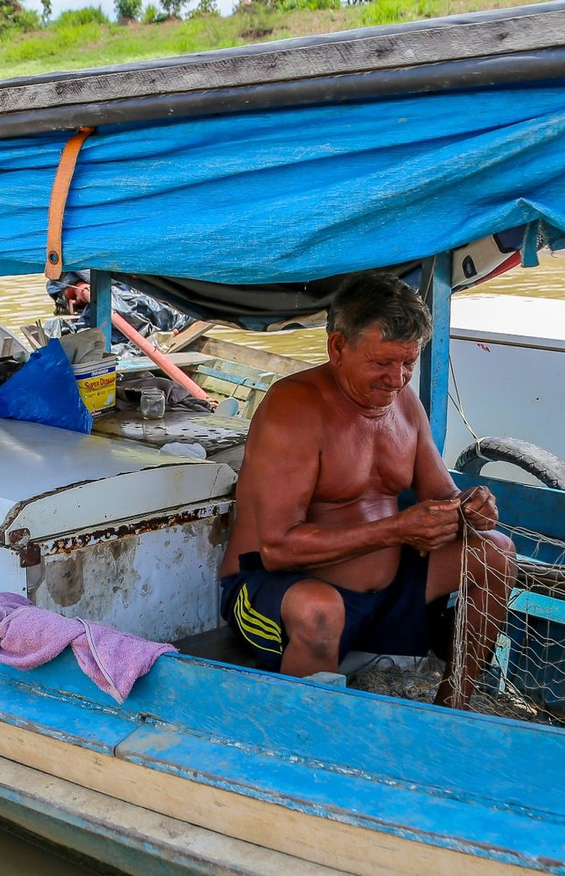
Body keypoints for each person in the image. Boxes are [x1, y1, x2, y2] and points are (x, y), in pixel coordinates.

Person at [219, 271, 516, 708]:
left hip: (388, 592)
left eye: (408, 364)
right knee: (321, 612)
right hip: (275, 589)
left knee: (496, 551)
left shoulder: (404, 403)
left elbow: (442, 495)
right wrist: (398, 530)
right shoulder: (293, 408)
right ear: (338, 347)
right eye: (381, 364)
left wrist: (471, 509)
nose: (396, 380)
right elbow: (278, 549)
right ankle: (300, 735)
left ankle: (453, 706)